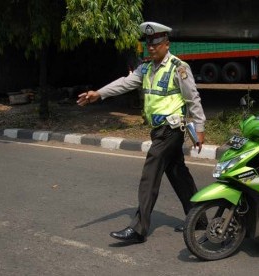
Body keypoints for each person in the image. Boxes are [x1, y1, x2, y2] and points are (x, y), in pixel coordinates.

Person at [77, 21, 206, 243]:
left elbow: (192, 99)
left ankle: (138, 229)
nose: (152, 48)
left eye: (156, 43)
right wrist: (98, 93)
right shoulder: (145, 68)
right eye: (149, 44)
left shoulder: (179, 68)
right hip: (158, 130)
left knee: (150, 173)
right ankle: (200, 219)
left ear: (166, 44)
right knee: (177, 174)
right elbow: (124, 83)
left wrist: (200, 128)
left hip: (171, 129)